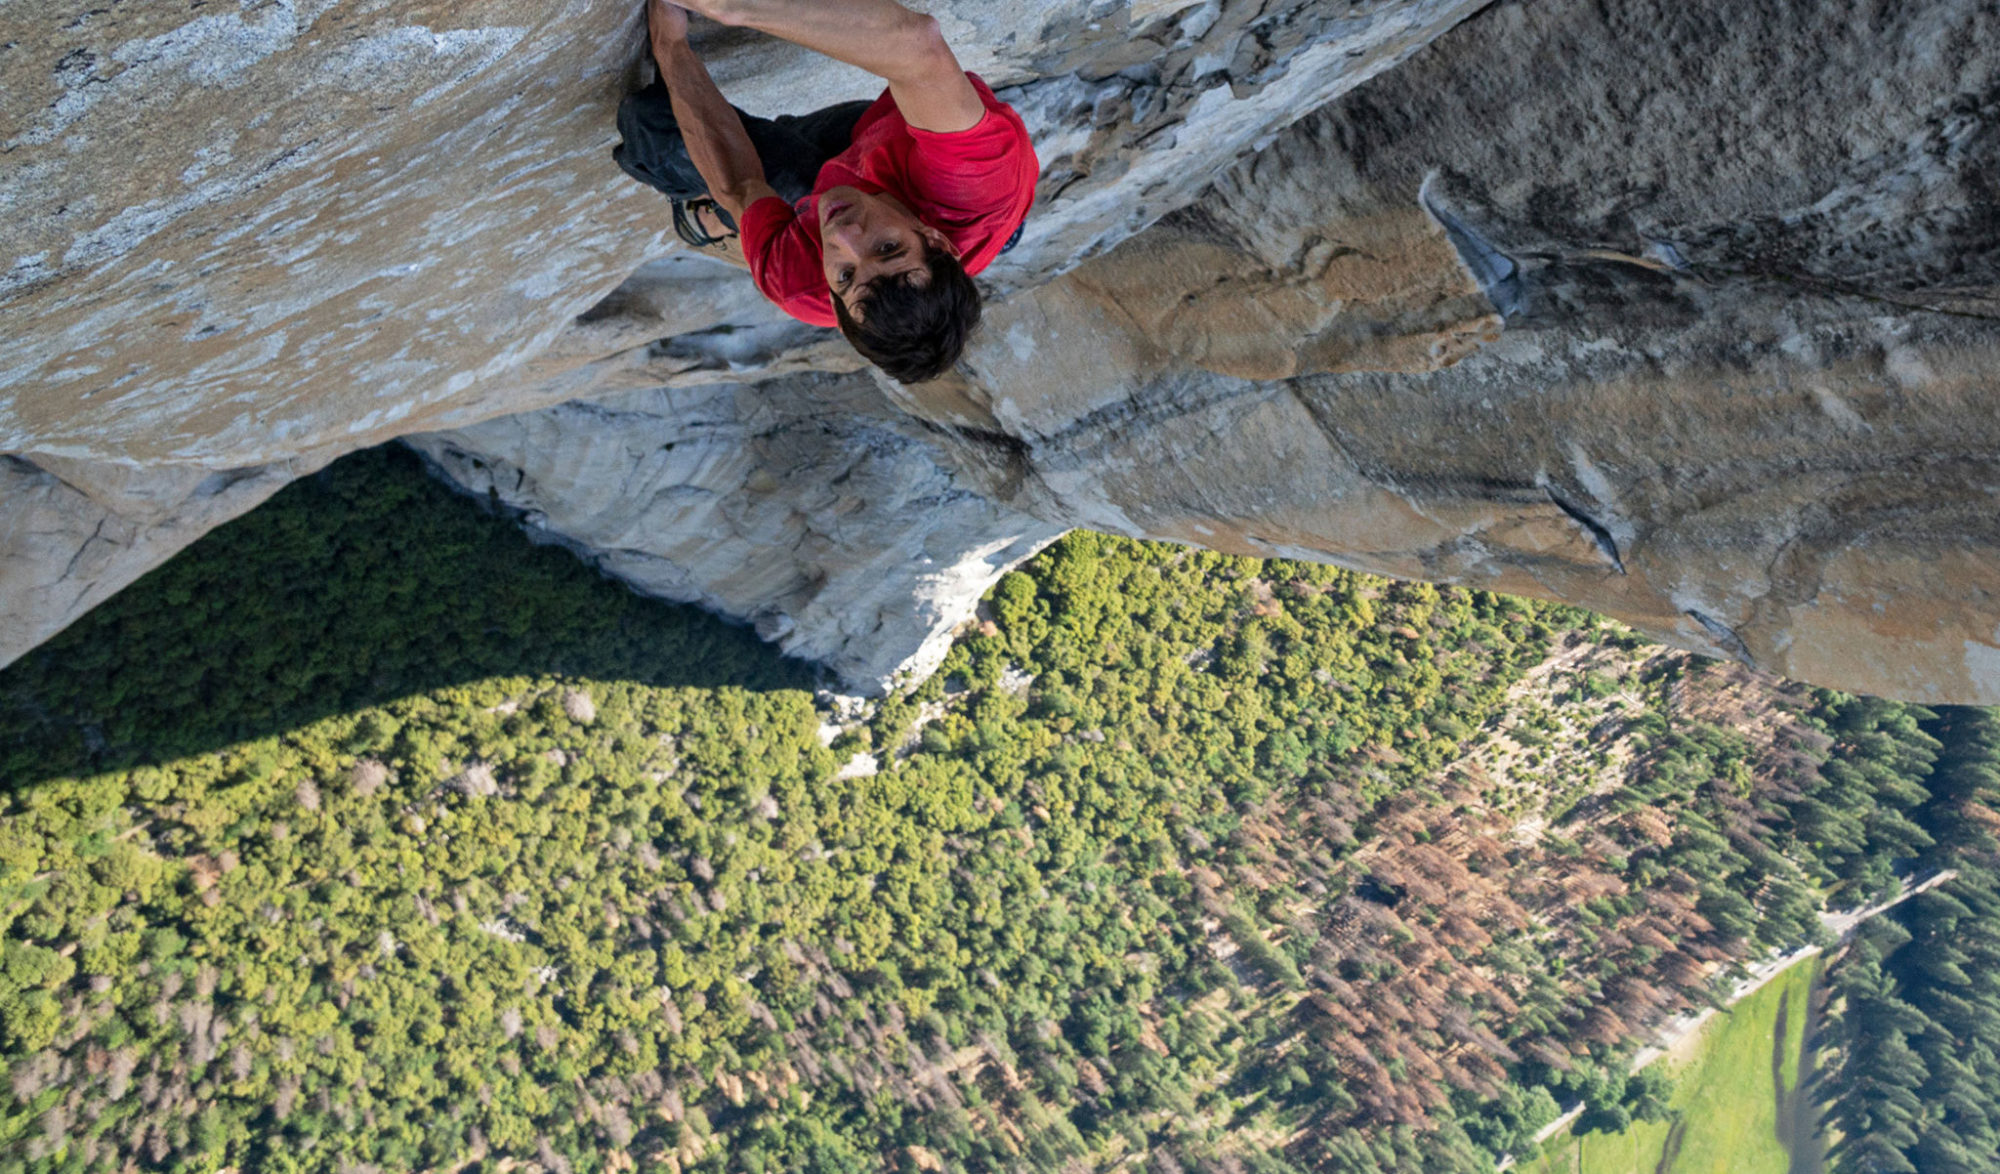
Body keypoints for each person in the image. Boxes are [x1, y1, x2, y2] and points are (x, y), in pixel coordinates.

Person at [614, 0, 1037, 383]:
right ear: (934, 238)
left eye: (847, 275)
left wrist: (671, 46)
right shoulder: (972, 185)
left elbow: (739, 186)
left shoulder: (802, 285)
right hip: (892, 159)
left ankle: (708, 220)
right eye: (888, 247)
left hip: (869, 176)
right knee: (817, 149)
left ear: (833, 303)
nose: (844, 235)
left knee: (652, 125)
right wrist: (735, 8)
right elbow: (918, 48)